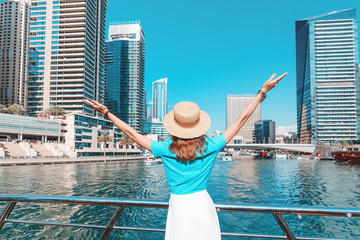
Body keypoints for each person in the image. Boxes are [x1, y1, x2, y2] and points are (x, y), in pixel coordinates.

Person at [84, 72, 287, 240]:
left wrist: (107, 112)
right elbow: (241, 120)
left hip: (179, 206)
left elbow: (132, 134)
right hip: (202, 203)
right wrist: (262, 93)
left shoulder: (165, 148)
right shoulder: (211, 146)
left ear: (173, 127)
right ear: (199, 126)